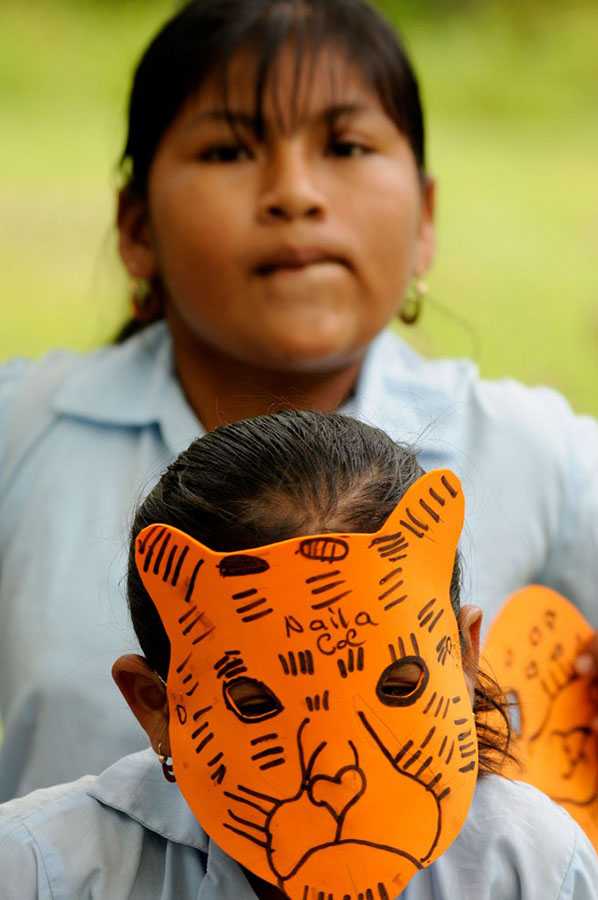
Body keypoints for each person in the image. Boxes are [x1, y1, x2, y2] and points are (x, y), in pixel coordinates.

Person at [0, 0, 596, 801]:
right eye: (228, 149)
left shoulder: (535, 456)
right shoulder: (22, 434)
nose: (295, 193)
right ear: (136, 226)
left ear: (425, 219)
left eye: (346, 145)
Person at [0, 410, 595, 900]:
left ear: (463, 660)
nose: (337, 771)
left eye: (398, 686)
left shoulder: (530, 870)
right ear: (158, 707)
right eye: (257, 702)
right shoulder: (45, 873)